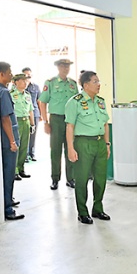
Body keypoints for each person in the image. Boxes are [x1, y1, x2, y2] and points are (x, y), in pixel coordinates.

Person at [65, 71, 111, 224]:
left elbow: (105, 124)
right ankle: (82, 212)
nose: (99, 84)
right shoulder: (75, 102)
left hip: (100, 143)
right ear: (85, 85)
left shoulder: (100, 101)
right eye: (95, 81)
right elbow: (70, 126)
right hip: (83, 143)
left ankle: (98, 208)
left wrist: (107, 144)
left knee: (100, 179)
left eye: (99, 81)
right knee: (82, 179)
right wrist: (70, 148)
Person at [39, 59, 80, 190]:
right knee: (55, 150)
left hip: (71, 120)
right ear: (57, 67)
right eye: (62, 66)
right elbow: (42, 102)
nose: (65, 69)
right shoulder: (50, 82)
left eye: (67, 66)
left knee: (70, 148)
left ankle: (70, 178)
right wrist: (45, 122)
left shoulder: (73, 84)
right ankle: (55, 179)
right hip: (56, 120)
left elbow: (78, 102)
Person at [0, 62, 25, 220]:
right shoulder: (4, 92)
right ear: (1, 74)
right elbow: (5, 118)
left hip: (2, 139)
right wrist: (12, 142)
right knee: (8, 174)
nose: (11, 75)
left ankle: (8, 200)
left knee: (5, 173)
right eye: (9, 72)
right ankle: (8, 208)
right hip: (8, 141)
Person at [10, 73, 35, 180]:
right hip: (16, 122)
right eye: (22, 80)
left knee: (24, 147)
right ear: (16, 82)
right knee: (17, 146)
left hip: (26, 121)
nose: (25, 83)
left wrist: (32, 124)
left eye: (26, 81)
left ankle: (21, 168)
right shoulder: (11, 94)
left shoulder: (27, 95)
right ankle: (14, 170)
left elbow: (31, 110)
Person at [22, 67, 41, 162]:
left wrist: (41, 114)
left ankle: (31, 153)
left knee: (33, 134)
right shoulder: (20, 87)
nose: (28, 77)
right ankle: (24, 155)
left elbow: (39, 100)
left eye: (29, 75)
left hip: (35, 113)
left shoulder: (35, 87)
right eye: (26, 75)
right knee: (25, 135)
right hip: (24, 114)